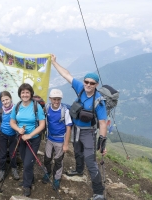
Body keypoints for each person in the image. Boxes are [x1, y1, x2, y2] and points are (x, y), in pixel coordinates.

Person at [51, 54, 108, 200]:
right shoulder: (80, 88)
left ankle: (99, 192)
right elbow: (66, 75)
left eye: (92, 83)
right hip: (75, 129)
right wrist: (54, 63)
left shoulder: (99, 102)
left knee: (91, 161)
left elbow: (102, 123)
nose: (88, 85)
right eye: (86, 82)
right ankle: (78, 170)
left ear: (96, 85)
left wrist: (102, 142)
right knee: (77, 151)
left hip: (88, 132)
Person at [10, 83, 45, 197]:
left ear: (31, 94)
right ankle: (29, 178)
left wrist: (29, 136)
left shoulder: (36, 106)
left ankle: (27, 185)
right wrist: (18, 129)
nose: (25, 94)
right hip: (21, 138)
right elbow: (12, 122)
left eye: (27, 92)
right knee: (26, 161)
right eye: (23, 92)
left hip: (33, 139)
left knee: (27, 163)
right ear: (20, 94)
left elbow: (42, 125)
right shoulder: (17, 106)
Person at [42, 89, 72, 190]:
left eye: (58, 99)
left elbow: (68, 127)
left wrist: (66, 144)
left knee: (58, 160)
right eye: (54, 99)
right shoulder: (47, 107)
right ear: (50, 99)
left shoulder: (65, 111)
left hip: (60, 140)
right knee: (47, 158)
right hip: (49, 139)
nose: (56, 101)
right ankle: (47, 172)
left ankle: (57, 178)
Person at [0, 91, 19, 183]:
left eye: (7, 99)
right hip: (2, 135)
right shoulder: (0, 111)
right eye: (3, 100)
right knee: (2, 154)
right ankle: (2, 171)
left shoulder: (16, 109)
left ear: (10, 98)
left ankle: (14, 169)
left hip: (14, 135)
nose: (5, 102)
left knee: (13, 153)